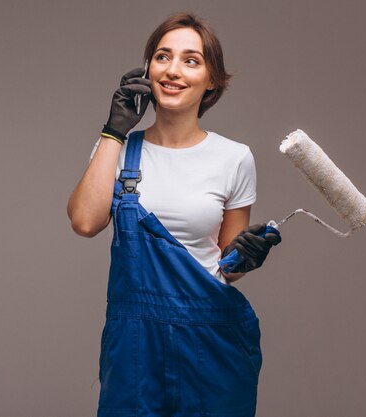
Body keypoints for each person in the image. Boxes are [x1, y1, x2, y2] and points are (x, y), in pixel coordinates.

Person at [67, 12, 281, 417]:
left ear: (212, 79)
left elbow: (227, 265)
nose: (173, 70)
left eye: (191, 60)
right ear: (147, 69)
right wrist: (112, 132)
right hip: (134, 345)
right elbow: (84, 222)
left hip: (211, 341)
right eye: (162, 56)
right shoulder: (118, 148)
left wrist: (246, 258)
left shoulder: (233, 158)